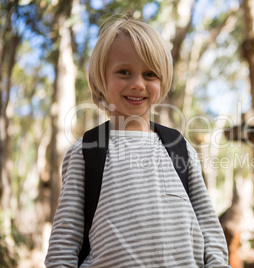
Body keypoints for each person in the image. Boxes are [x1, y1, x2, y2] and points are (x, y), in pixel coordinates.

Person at [45, 15, 230, 267]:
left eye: (149, 74)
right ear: (102, 77)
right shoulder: (87, 151)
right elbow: (65, 240)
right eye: (124, 72)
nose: (137, 84)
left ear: (162, 80)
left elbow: (208, 224)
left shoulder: (179, 147)